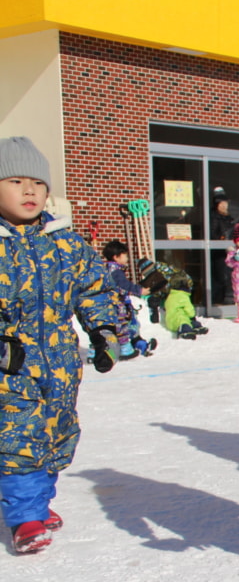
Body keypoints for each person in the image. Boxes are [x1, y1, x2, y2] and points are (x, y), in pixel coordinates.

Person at [0, 136, 123, 554]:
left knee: (56, 433)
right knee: (18, 438)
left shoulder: (66, 243)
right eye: (15, 181)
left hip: (60, 362)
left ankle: (37, 502)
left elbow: (95, 291)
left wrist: (105, 334)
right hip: (10, 367)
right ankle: (24, 517)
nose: (29, 190)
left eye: (37, 182)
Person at [100, 240, 157, 359]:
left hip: (117, 303)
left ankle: (139, 344)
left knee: (130, 325)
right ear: (116, 257)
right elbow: (124, 285)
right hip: (117, 304)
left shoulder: (107, 269)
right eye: (124, 255)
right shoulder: (115, 271)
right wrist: (140, 290)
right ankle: (125, 349)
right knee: (122, 327)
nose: (127, 257)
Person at [163, 272, 209, 339]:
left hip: (170, 321)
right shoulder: (182, 296)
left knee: (188, 320)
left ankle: (195, 327)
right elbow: (189, 309)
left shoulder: (171, 295)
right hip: (178, 320)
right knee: (185, 321)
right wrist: (192, 315)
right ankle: (184, 331)